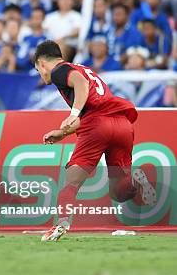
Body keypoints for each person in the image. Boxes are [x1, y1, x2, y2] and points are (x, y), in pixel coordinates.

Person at [31, 40, 155, 242]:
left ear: (42, 63)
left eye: (38, 70)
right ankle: (135, 180)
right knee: (118, 192)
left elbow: (80, 85)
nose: (41, 75)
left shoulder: (58, 71)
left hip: (97, 126)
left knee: (70, 183)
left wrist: (73, 112)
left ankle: (61, 223)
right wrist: (62, 134)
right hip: (122, 124)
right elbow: (93, 106)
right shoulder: (85, 68)